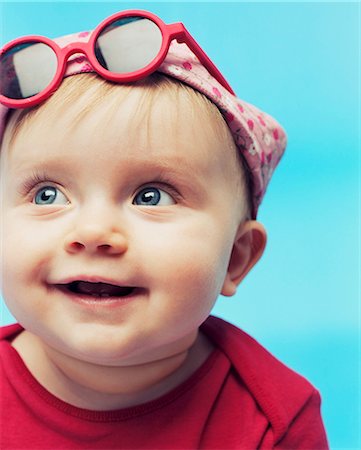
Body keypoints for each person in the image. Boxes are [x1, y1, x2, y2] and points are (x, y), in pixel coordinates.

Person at [0, 9, 329, 449]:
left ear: (235, 258)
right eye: (47, 195)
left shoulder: (273, 420)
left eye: (151, 195)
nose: (94, 231)